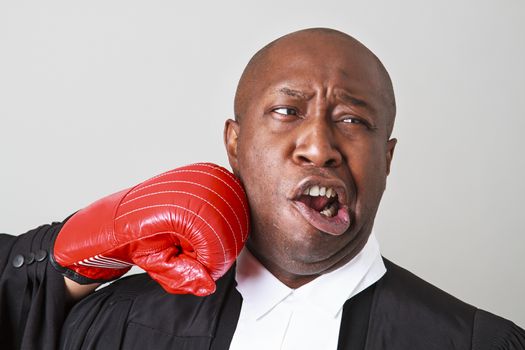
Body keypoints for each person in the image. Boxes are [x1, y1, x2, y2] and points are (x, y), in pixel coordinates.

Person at [1, 28, 524, 350]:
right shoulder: (109, 321)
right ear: (234, 143)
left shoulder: (477, 342)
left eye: (352, 120)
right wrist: (67, 258)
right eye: (286, 111)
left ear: (387, 159)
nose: (319, 147)